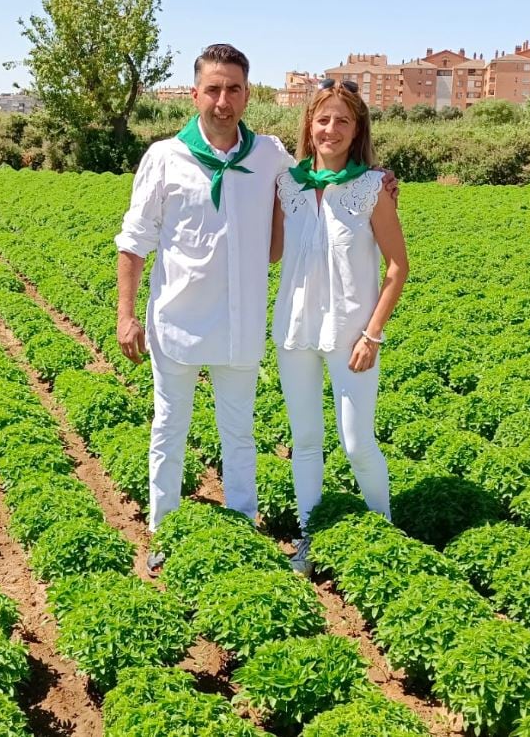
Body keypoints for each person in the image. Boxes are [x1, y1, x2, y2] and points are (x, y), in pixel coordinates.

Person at [115, 45, 397, 574]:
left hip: (241, 322)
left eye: (235, 89)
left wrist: (380, 181)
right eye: (214, 89)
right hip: (175, 318)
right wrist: (126, 315)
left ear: (248, 94)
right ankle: (163, 529)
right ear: (196, 93)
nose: (224, 100)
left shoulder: (268, 156)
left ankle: (243, 524)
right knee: (169, 427)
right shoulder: (164, 157)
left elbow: (326, 169)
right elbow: (133, 242)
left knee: (239, 431)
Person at [270, 80, 409, 575]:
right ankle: (310, 537)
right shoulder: (287, 182)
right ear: (309, 124)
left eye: (342, 121)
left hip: (352, 337)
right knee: (305, 440)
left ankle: (384, 528)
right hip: (295, 330)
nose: (331, 129)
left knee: (357, 442)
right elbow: (271, 250)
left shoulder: (372, 187)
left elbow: (398, 267)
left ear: (357, 130)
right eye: (323, 119)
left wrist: (373, 334)